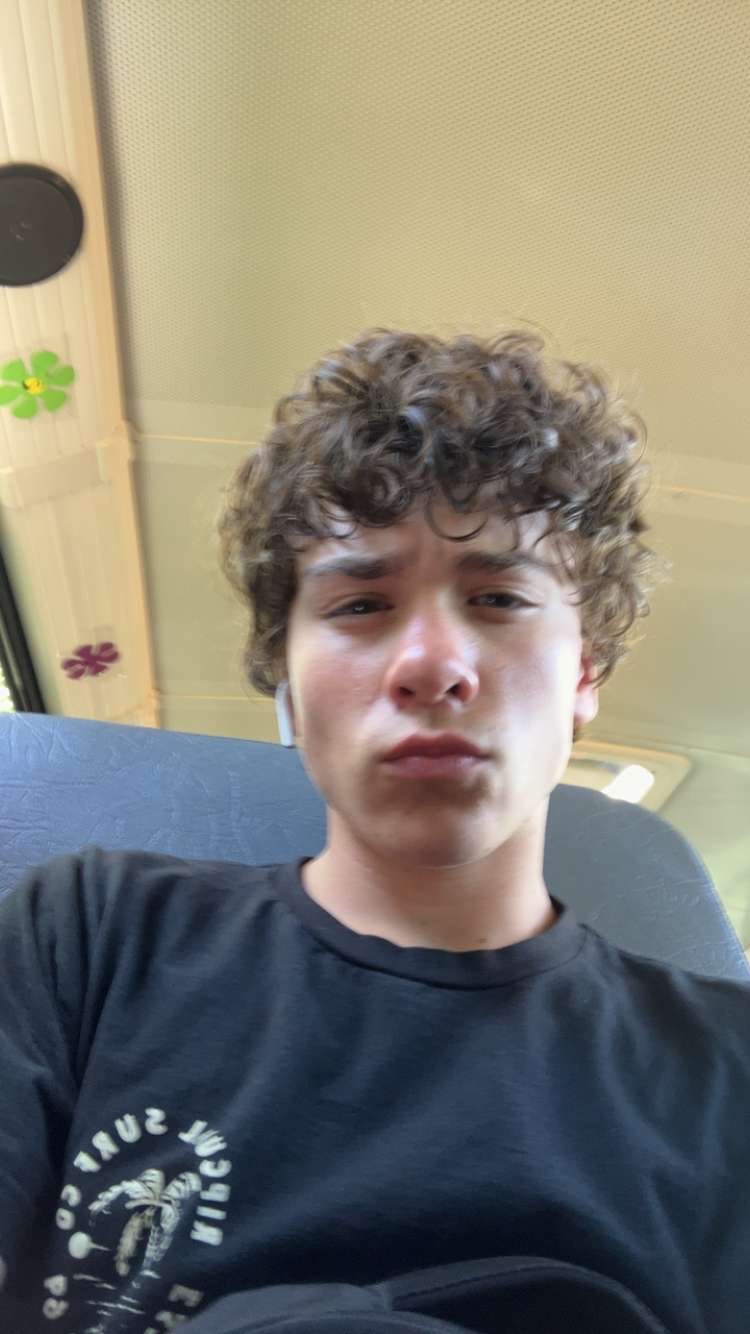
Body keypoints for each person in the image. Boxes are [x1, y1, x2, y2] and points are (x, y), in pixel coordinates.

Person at [0, 326, 747, 1333]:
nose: (432, 663)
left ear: (584, 675)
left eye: (499, 597)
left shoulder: (727, 1068)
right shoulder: (91, 934)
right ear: (289, 683)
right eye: (359, 605)